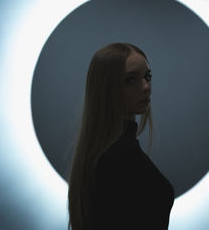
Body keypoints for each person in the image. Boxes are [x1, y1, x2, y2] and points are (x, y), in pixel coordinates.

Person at [67, 43, 174, 230]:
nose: (146, 87)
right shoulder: (119, 155)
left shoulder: (104, 151)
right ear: (106, 87)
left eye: (147, 77)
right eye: (131, 80)